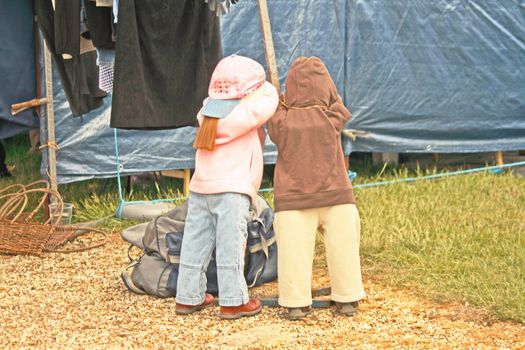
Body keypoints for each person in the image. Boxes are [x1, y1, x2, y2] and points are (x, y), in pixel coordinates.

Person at [175, 55, 279, 319]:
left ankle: (188, 297)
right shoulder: (246, 111)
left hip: (201, 189)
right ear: (246, 90)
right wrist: (258, 86)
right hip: (231, 191)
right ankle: (233, 301)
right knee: (230, 246)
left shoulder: (208, 109)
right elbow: (270, 96)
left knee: (194, 244)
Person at [268, 56, 365, 320]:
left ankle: (296, 302)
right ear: (327, 87)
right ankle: (348, 298)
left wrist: (279, 98)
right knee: (344, 249)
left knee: (293, 253)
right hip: (337, 196)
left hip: (293, 199)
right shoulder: (332, 116)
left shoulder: (282, 121)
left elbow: (271, 113)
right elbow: (339, 106)